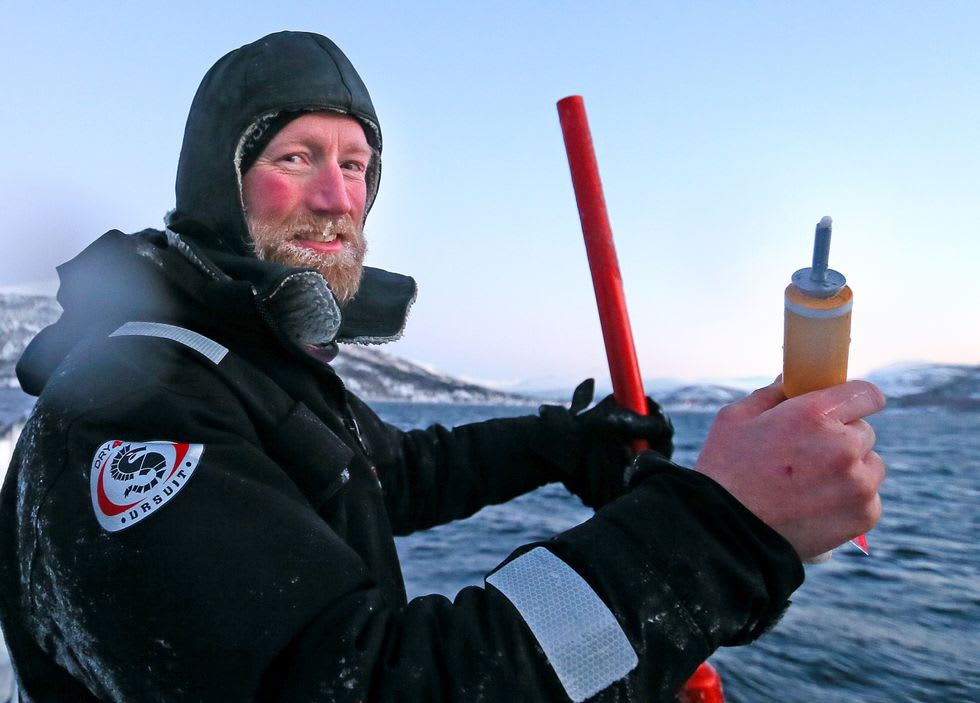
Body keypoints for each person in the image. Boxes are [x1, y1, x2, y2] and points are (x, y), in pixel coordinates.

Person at [0, 31, 885, 703]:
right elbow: (364, 682)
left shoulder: (249, 361)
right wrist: (712, 532)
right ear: (216, 184)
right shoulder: (137, 405)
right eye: (295, 157)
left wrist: (559, 442)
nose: (338, 196)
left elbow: (390, 473)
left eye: (356, 165)